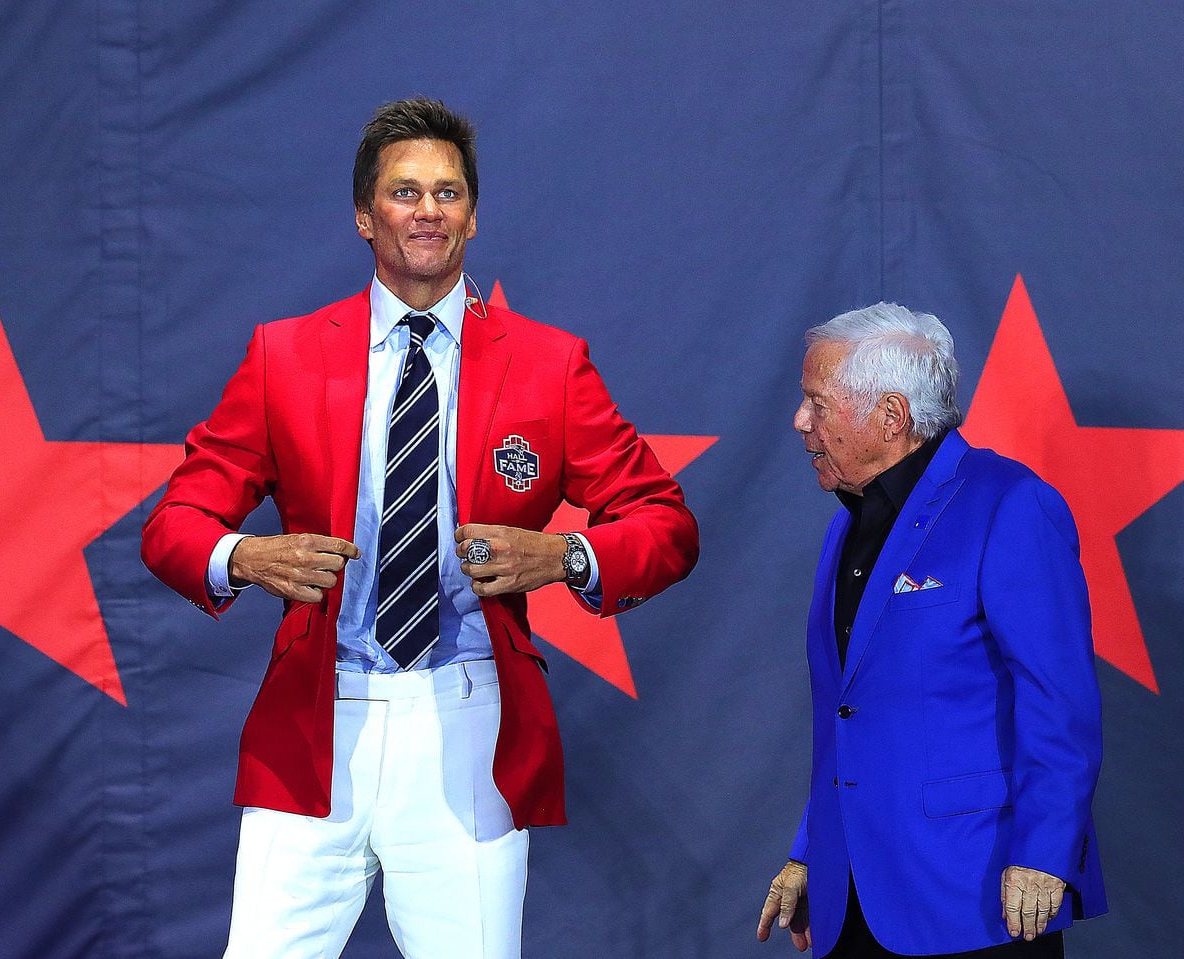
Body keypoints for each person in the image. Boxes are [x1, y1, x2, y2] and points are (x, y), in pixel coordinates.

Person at [141, 97, 698, 959]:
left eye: (447, 192)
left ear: (473, 214)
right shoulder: (283, 355)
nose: (428, 210)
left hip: (468, 715)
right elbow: (173, 523)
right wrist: (244, 555)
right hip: (315, 719)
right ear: (364, 214)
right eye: (405, 192)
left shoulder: (548, 365)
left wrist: (566, 553)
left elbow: (666, 524)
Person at [755, 304, 1105, 958]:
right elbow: (852, 712)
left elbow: (1059, 701)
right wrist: (812, 849)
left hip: (976, 891)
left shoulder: (1009, 504)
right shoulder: (845, 526)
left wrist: (1045, 852)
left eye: (816, 403)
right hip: (853, 892)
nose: (800, 421)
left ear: (891, 416)